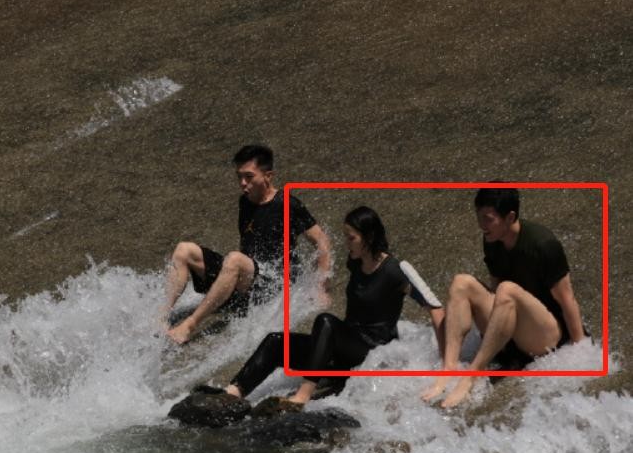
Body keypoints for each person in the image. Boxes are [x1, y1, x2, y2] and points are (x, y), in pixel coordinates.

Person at [222, 206, 444, 407]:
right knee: (276, 342)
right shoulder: (355, 262)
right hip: (344, 349)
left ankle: (303, 395)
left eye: (351, 238)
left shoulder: (396, 270)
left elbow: (435, 307)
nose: (346, 243)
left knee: (326, 322)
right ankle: (232, 393)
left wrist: (445, 364)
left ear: (369, 237)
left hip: (371, 351)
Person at [421, 187, 586, 408]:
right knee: (461, 282)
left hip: (546, 335)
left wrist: (581, 354)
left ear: (509, 217)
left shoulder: (543, 244)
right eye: (479, 217)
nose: (481, 225)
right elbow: (494, 288)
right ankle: (449, 368)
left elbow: (568, 300)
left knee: (507, 290)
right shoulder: (492, 239)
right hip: (514, 329)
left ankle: (471, 375)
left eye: (488, 219)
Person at [163, 145, 332, 344]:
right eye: (239, 177)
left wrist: (320, 287)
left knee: (234, 260)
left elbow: (322, 241)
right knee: (184, 250)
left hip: (272, 287)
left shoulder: (287, 204)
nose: (243, 183)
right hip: (246, 279)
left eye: (249, 177)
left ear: (268, 176)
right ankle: (161, 318)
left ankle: (189, 325)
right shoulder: (245, 201)